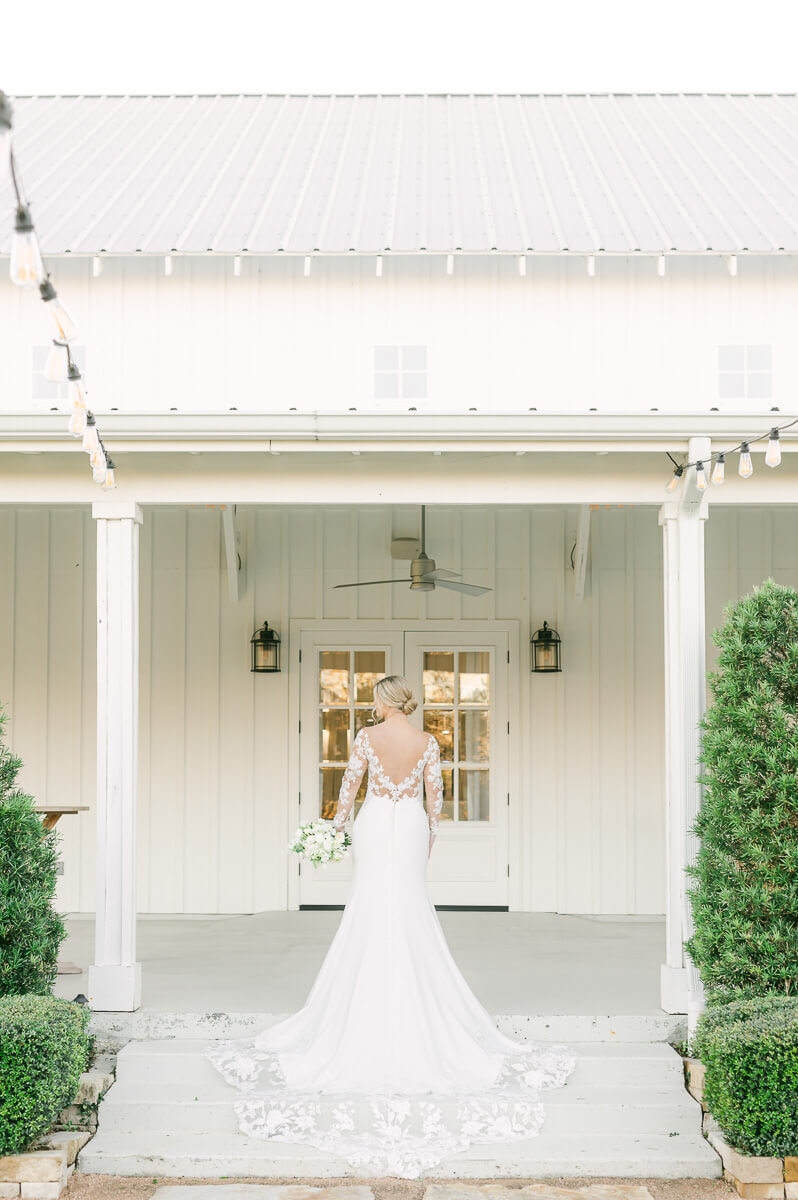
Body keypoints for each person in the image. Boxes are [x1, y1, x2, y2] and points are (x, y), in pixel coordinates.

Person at [206, 674, 575, 1177]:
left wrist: (335, 830)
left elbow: (350, 787)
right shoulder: (427, 742)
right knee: (409, 906)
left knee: (370, 906)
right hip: (410, 827)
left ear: (384, 700)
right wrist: (430, 836)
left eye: (375, 697)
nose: (372, 703)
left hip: (376, 824)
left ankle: (364, 1000)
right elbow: (435, 796)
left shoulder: (366, 738)